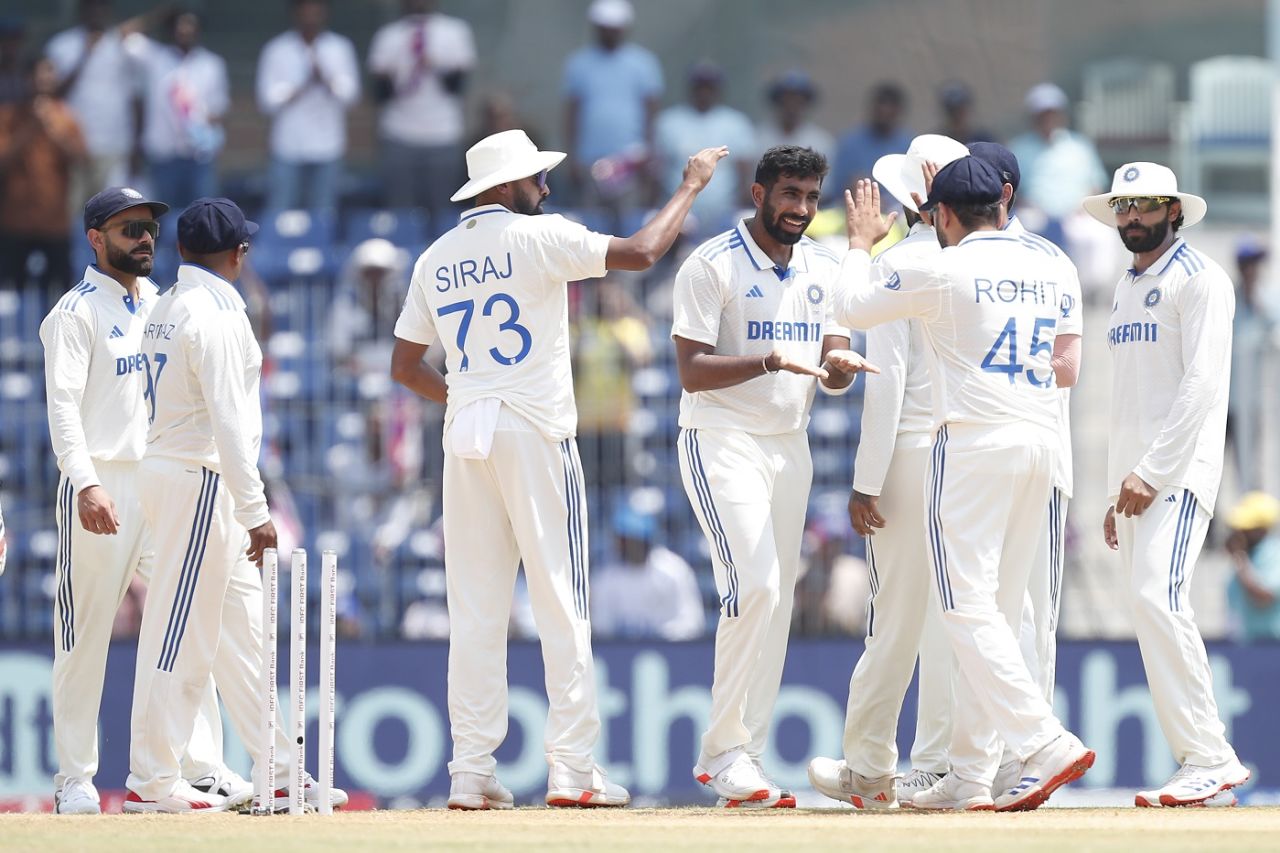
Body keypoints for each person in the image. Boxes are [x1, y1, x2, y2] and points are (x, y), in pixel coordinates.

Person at [389, 129, 727, 809]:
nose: (545, 188)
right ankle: (572, 767)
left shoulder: (435, 257)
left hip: (466, 435)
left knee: (477, 610)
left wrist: (465, 393)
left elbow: (403, 366)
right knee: (561, 601)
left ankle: (469, 769)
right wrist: (689, 186)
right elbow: (641, 251)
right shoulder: (536, 237)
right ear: (505, 188)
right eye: (534, 179)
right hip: (535, 430)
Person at [834, 161, 1095, 812]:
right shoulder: (1053, 263)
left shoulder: (941, 267)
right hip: (1039, 440)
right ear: (1002, 206)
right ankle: (974, 776)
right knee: (998, 612)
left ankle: (1042, 742)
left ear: (943, 215)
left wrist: (861, 243)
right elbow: (1069, 362)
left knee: (962, 606)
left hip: (973, 442)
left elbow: (851, 305)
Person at [126, 197, 348, 813]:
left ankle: (278, 769)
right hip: (202, 480)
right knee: (180, 633)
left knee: (242, 635)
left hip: (190, 474)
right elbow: (228, 422)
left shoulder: (167, 306)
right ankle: (151, 779)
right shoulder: (216, 317)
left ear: (179, 251)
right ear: (238, 254)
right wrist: (257, 512)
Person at [672, 145, 868, 809]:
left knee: (776, 601)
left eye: (812, 197)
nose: (802, 210)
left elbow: (833, 347)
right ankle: (721, 751)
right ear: (759, 195)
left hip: (791, 445)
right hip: (720, 438)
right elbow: (692, 369)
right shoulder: (711, 263)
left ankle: (743, 757)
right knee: (753, 584)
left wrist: (840, 368)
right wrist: (769, 361)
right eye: (790, 194)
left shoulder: (826, 263)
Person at [38, 187, 240, 814]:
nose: (145, 238)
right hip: (101, 482)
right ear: (95, 238)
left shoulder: (165, 303)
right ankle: (75, 777)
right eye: (129, 229)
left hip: (162, 477)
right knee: (82, 636)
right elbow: (63, 411)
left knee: (188, 626)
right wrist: (85, 483)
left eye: (150, 227)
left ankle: (200, 766)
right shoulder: (73, 313)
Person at [807, 133, 970, 811]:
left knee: (892, 619)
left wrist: (864, 480)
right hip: (967, 451)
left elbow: (887, 381)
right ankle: (937, 766)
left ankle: (871, 767)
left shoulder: (899, 262)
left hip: (908, 453)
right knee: (951, 619)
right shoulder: (977, 263)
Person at [1084, 161, 1251, 806]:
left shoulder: (1200, 278)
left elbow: (1202, 388)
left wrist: (1151, 473)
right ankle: (1201, 768)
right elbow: (1130, 400)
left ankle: (1210, 756)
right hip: (1135, 481)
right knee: (1149, 611)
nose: (1131, 218)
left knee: (1160, 598)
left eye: (1145, 206)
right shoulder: (1127, 285)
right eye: (1123, 208)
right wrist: (1113, 488)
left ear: (1174, 210)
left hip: (1177, 474)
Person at [969, 140, 1084, 796]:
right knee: (989, 610)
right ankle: (990, 759)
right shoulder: (967, 256)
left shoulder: (1045, 257)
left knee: (1028, 617)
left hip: (1034, 454)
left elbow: (1068, 368)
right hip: (995, 455)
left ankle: (1029, 757)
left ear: (1003, 192)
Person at [44, 0, 164, 209]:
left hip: (115, 145)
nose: (96, 12)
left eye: (101, 6)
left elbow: (136, 96)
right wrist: (85, 54)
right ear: (81, 10)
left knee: (109, 214)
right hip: (72, 146)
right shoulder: (61, 45)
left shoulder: (125, 46)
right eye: (91, 6)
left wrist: (137, 144)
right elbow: (53, 94)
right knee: (73, 212)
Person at [368, 0, 475, 224]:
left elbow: (458, 86)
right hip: (399, 132)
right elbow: (379, 92)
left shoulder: (455, 31)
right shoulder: (389, 36)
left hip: (442, 133)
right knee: (400, 212)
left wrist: (436, 64)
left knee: (443, 210)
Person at [561, 0, 662, 225]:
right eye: (604, 27)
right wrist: (572, 158)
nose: (609, 32)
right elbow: (572, 114)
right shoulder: (579, 64)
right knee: (590, 227)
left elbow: (651, 114)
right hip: (590, 161)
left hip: (631, 162)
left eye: (614, 27)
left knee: (629, 225)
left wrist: (650, 156)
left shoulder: (643, 64)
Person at [256, 0, 359, 212]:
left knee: (324, 213)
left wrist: (326, 81)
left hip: (328, 146)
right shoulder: (277, 49)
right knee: (281, 212)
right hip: (288, 146)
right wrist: (298, 88)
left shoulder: (340, 48)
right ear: (295, 14)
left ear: (325, 14)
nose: (310, 18)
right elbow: (265, 100)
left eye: (316, 12)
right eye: (305, 12)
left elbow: (351, 96)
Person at [127, 8, 229, 210]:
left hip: (199, 156)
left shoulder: (212, 65)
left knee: (202, 216)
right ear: (171, 29)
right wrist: (163, 13)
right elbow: (124, 34)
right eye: (180, 25)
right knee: (163, 217)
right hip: (163, 156)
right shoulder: (153, 58)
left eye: (190, 26)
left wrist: (198, 119)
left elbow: (219, 110)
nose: (185, 31)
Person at [0, 57, 86, 293]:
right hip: (15, 220)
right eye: (37, 73)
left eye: (48, 72)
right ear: (27, 79)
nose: (43, 79)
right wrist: (30, 129)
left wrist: (50, 127)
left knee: (57, 289)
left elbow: (79, 158)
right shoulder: (8, 116)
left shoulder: (67, 117)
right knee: (11, 290)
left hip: (55, 222)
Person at [654, 61, 755, 237]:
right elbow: (658, 169)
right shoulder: (669, 121)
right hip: (681, 210)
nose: (704, 91)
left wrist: (739, 206)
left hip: (725, 210)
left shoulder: (735, 123)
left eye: (710, 86)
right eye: (700, 85)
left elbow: (744, 172)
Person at [1007, 83, 1107, 250]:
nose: (1048, 119)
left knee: (1099, 236)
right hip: (1035, 215)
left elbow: (1096, 184)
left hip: (1078, 215)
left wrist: (1083, 208)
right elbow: (1011, 189)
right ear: (1033, 117)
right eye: (1043, 114)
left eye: (1052, 113)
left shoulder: (1080, 145)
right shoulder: (1019, 147)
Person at [590, 502, 704, 640]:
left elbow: (692, 621)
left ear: (645, 539)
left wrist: (661, 637)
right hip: (620, 653)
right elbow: (601, 627)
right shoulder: (606, 577)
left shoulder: (674, 570)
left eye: (629, 539)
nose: (622, 544)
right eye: (621, 539)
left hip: (671, 651)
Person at [1227, 237, 1272, 492]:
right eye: (1250, 264)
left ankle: (1251, 527)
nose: (1254, 270)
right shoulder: (1229, 301)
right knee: (1213, 471)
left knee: (1249, 470)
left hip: (1251, 401)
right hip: (1223, 404)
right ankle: (1214, 530)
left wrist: (1260, 305)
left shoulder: (1266, 302)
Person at [832, 82, 912, 196]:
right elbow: (838, 187)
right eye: (882, 104)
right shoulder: (850, 143)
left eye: (891, 106)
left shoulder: (909, 146)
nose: (885, 111)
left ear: (899, 110)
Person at [1225, 491, 1280, 643]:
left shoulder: (1274, 553)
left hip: (1273, 647)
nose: (1239, 533)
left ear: (1261, 530)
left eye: (1246, 529)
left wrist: (1239, 557)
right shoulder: (1248, 556)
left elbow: (1264, 597)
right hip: (1250, 645)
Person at [754, 70, 835, 166]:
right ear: (778, 102)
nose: (792, 107)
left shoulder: (821, 142)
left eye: (798, 101)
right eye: (787, 100)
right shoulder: (758, 138)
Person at [935, 81, 993, 145]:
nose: (957, 115)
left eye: (960, 111)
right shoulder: (938, 143)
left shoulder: (983, 140)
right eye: (953, 111)